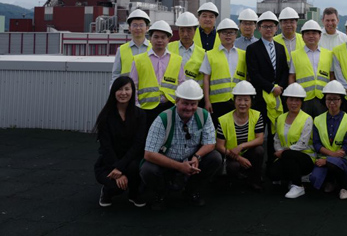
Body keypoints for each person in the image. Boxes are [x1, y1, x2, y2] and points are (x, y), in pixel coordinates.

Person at [140, 80, 222, 209]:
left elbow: (210, 143)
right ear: (176, 101)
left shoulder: (204, 115)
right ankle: (161, 194)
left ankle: (191, 191)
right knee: (148, 169)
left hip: (191, 160)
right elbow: (149, 154)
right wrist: (179, 166)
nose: (189, 108)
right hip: (166, 163)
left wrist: (197, 157)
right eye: (185, 103)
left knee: (215, 158)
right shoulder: (163, 119)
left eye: (193, 104)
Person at [94, 76, 148, 208]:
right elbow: (106, 147)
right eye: (119, 89)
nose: (123, 93)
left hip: (131, 160)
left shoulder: (140, 115)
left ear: (133, 91)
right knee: (116, 186)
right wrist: (117, 171)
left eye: (127, 89)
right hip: (110, 162)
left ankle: (134, 193)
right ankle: (107, 191)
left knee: (135, 168)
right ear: (113, 92)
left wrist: (120, 168)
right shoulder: (105, 116)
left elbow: (138, 144)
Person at [246, 13, 289, 170]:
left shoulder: (280, 48)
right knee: (257, 133)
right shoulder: (252, 49)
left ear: (276, 28)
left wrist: (280, 87)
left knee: (275, 134)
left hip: (278, 99)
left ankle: (273, 168)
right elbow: (254, 74)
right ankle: (254, 169)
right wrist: (271, 88)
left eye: (271, 26)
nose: (268, 29)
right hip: (260, 99)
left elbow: (284, 71)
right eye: (265, 26)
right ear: (259, 28)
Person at [310, 81, 347, 200]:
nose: (332, 103)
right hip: (327, 158)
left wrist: (328, 160)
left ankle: (344, 187)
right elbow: (316, 143)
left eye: (335, 99)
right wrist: (330, 157)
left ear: (341, 100)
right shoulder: (317, 120)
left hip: (345, 160)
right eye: (329, 99)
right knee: (314, 179)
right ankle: (331, 181)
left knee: (334, 164)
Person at [130, 20, 186, 124]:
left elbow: (182, 85)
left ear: (168, 39)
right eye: (156, 37)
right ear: (150, 39)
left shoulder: (177, 60)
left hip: (170, 108)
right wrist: (136, 106)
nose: (159, 40)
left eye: (163, 37)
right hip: (146, 109)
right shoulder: (138, 60)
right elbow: (133, 85)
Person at [216, 80, 264, 191]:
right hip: (230, 155)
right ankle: (233, 180)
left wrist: (241, 146)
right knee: (234, 166)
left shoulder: (257, 116)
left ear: (251, 101)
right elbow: (219, 146)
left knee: (259, 151)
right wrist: (238, 158)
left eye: (246, 100)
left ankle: (254, 180)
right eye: (239, 99)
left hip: (247, 152)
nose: (242, 103)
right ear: (234, 101)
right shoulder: (223, 120)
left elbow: (260, 139)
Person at [271, 83, 316, 199]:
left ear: (301, 102)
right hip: (285, 156)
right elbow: (276, 139)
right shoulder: (280, 118)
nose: (294, 103)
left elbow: (303, 143)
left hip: (305, 157)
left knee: (288, 155)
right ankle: (292, 177)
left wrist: (283, 152)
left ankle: (298, 186)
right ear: (286, 101)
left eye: (297, 100)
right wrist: (280, 151)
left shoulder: (307, 118)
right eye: (291, 100)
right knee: (273, 173)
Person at [200, 18, 246, 123]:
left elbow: (247, 78)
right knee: (218, 129)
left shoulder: (243, 54)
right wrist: (207, 101)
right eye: (224, 32)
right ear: (219, 35)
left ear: (236, 35)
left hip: (238, 101)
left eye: (231, 32)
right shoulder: (210, 54)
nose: (228, 35)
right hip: (217, 102)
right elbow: (206, 79)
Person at [289, 19, 333, 117]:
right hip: (303, 98)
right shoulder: (295, 55)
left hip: (322, 98)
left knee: (321, 124)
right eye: (307, 33)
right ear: (302, 37)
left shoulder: (328, 54)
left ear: (320, 36)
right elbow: (292, 76)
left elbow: (331, 76)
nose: (311, 36)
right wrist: (293, 96)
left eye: (314, 33)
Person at [111, 9, 151, 82]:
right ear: (129, 28)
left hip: (148, 89)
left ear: (147, 28)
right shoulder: (121, 50)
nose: (138, 28)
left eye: (141, 25)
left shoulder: (153, 49)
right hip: (127, 89)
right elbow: (116, 75)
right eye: (134, 25)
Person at [168, 11, 206, 86]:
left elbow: (202, 80)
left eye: (189, 30)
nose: (185, 34)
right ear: (178, 31)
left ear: (195, 31)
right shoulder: (168, 48)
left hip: (193, 92)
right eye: (182, 30)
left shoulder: (203, 54)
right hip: (171, 92)